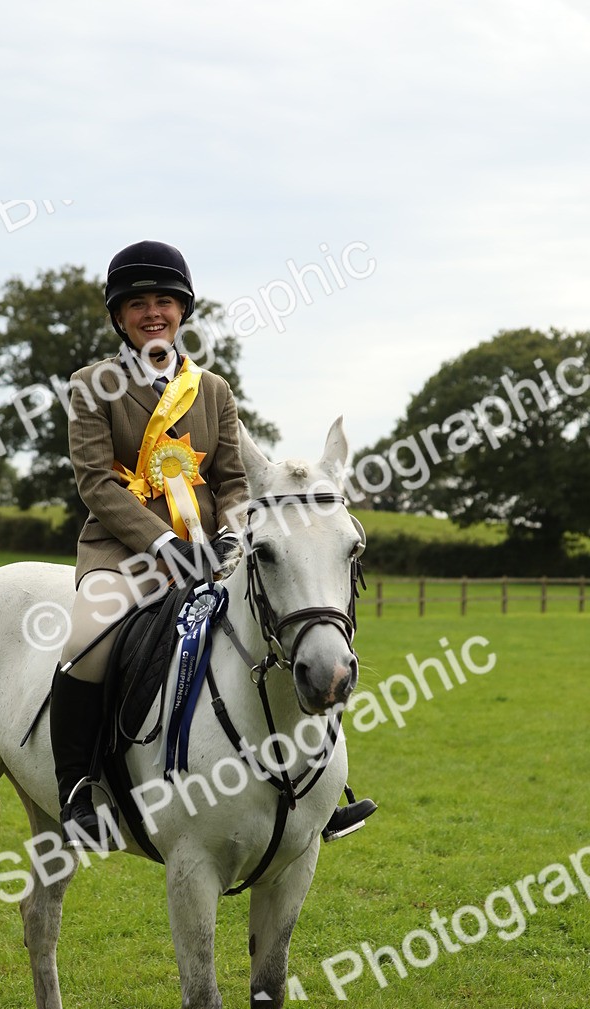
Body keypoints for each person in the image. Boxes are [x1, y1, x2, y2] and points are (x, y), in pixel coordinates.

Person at [50, 240, 375, 847]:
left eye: (165, 302)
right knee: (86, 641)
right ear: (120, 315)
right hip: (121, 552)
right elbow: (96, 483)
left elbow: (233, 481)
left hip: (209, 550)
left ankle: (317, 792)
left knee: (287, 630)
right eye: (140, 303)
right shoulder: (92, 384)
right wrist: (158, 543)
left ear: (182, 313)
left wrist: (227, 535)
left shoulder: (213, 390)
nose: (154, 313)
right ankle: (76, 791)